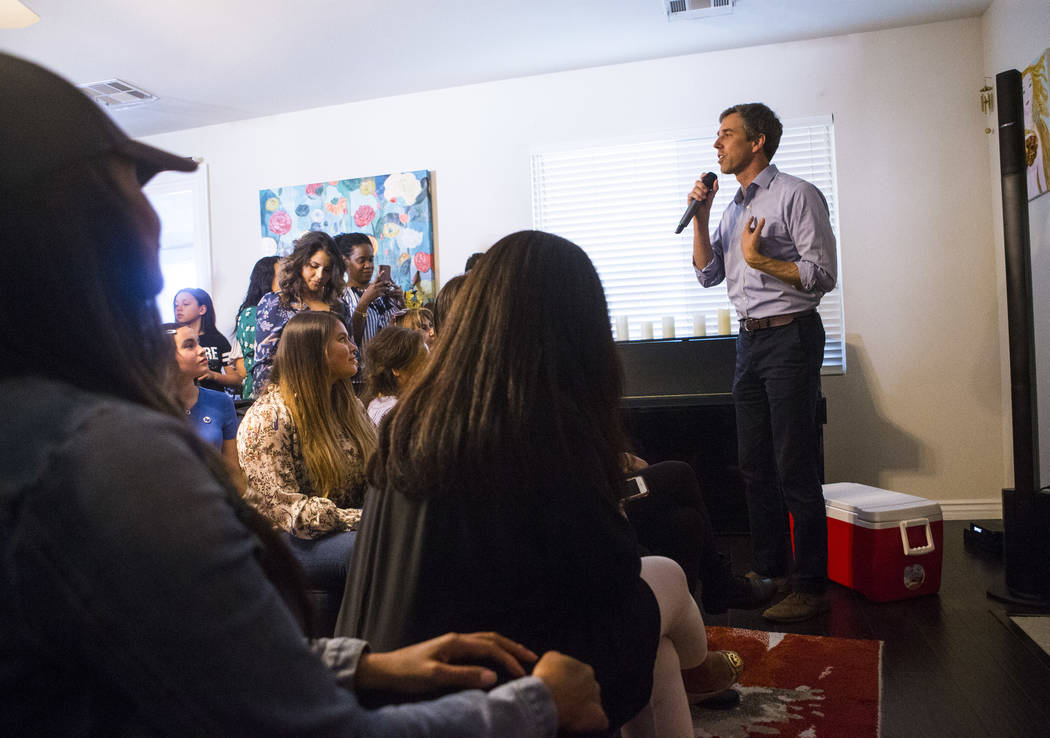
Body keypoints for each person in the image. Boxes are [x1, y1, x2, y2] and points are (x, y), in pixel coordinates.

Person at [0, 51, 607, 736]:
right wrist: (535, 705)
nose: (152, 223)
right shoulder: (104, 460)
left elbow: (189, 660)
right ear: (74, 223)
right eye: (130, 185)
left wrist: (364, 665)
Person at [337, 230, 742, 736]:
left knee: (648, 637)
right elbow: (611, 571)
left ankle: (692, 670)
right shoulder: (534, 430)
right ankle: (698, 669)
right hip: (490, 679)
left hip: (394, 682)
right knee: (659, 587)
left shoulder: (413, 420)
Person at [687, 102, 837, 622]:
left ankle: (811, 584)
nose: (717, 144)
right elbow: (707, 274)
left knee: (795, 463)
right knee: (753, 465)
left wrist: (759, 260)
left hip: (790, 337)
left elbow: (821, 273)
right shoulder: (729, 209)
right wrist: (702, 219)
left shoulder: (796, 195)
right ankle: (771, 573)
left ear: (757, 143)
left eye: (726, 134)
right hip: (748, 343)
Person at [238, 311, 375, 539]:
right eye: (342, 339)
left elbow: (378, 470)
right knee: (372, 551)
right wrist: (366, 519)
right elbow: (287, 511)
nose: (354, 347)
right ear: (313, 352)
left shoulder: (350, 406)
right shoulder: (267, 418)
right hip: (289, 539)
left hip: (347, 526)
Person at [253, 231, 348, 395]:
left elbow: (348, 353)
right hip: (288, 395)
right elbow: (264, 365)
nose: (320, 275)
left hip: (333, 395)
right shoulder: (275, 303)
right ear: (300, 262)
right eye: (314, 266)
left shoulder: (338, 306)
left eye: (327, 270)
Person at [166, 322, 240, 476]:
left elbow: (233, 472)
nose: (201, 351)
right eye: (189, 345)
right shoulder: (151, 407)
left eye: (198, 344)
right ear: (166, 356)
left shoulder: (221, 401)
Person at [335, 233, 403, 392]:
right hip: (361, 383)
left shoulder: (385, 294)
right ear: (346, 261)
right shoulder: (341, 298)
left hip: (393, 379)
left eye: (371, 259)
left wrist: (401, 302)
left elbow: (403, 332)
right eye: (361, 260)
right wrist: (364, 303)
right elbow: (350, 339)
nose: (368, 265)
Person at [173, 287, 242, 395]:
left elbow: (236, 379)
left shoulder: (217, 339)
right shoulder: (173, 338)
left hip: (213, 399)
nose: (179, 308)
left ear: (202, 309)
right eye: (176, 305)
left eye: (185, 304)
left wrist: (213, 375)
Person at [233, 255, 282, 400]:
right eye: (283, 275)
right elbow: (243, 367)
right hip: (263, 395)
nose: (289, 279)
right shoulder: (251, 314)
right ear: (266, 279)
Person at [361, 325, 429, 425]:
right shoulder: (397, 414)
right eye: (424, 363)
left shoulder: (378, 403)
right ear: (397, 369)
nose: (430, 369)